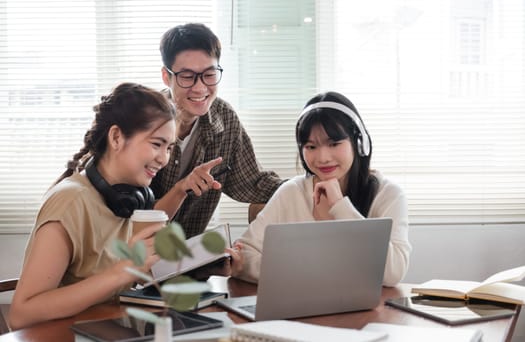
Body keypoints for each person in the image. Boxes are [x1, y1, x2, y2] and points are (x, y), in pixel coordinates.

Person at [8, 83, 177, 329]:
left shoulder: (129, 199)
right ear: (117, 137)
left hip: (107, 330)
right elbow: (21, 315)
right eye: (156, 144)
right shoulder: (70, 202)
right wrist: (125, 270)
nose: (164, 159)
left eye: (169, 147)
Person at [229, 91, 411, 287]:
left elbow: (393, 273)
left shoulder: (388, 195)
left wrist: (340, 208)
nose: (323, 157)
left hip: (366, 311)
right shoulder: (292, 192)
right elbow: (245, 253)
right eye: (311, 147)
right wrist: (306, 274)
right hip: (298, 308)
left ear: (359, 143)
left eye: (334, 144)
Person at [151, 23, 283, 238]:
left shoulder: (224, 117)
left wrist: (309, 184)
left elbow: (253, 182)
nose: (200, 87)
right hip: (135, 254)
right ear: (167, 77)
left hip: (187, 257)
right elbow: (127, 208)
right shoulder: (143, 120)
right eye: (187, 76)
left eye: (209, 75)